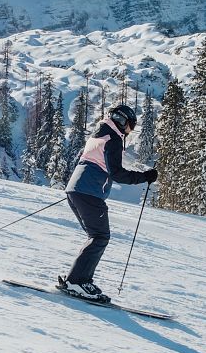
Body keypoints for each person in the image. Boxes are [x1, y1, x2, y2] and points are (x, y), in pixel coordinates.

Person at [59, 104, 158, 302]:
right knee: (100, 236)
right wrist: (145, 177)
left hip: (77, 189)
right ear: (125, 122)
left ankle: (80, 280)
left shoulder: (100, 134)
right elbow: (117, 173)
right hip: (89, 192)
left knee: (96, 236)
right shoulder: (113, 139)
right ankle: (77, 281)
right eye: (131, 126)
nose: (130, 131)